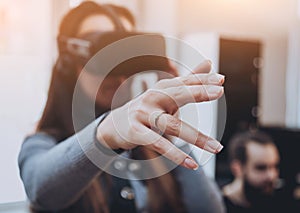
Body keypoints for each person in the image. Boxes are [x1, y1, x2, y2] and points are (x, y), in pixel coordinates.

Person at [18, 1, 226, 213]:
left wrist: (172, 130)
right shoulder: (43, 143)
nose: (116, 66)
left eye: (126, 50)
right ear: (70, 62)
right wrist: (106, 133)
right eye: (103, 48)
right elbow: (40, 190)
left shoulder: (149, 145)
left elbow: (209, 209)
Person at [222, 130, 284, 212]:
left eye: (275, 166)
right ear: (237, 169)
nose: (271, 175)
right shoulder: (217, 207)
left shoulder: (277, 204)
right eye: (261, 168)